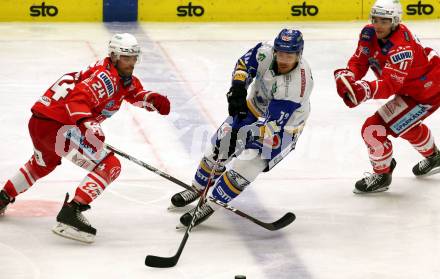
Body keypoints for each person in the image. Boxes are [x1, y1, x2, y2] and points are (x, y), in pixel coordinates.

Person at [0, 33, 171, 242]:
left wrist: (150, 98)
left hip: (41, 122)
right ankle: (72, 212)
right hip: (58, 126)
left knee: (41, 164)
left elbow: (131, 92)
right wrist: (90, 127)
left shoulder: (115, 75)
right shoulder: (104, 78)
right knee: (109, 165)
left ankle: (3, 197)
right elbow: (76, 102)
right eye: (127, 58)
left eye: (134, 57)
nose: (132, 62)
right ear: (115, 56)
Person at [170, 29, 314, 227]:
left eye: (289, 55)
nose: (283, 59)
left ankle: (210, 205)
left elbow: (272, 126)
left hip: (284, 128)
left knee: (246, 166)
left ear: (299, 54)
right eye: (280, 53)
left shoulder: (297, 86)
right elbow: (244, 64)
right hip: (254, 107)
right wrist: (238, 88)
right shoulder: (264, 52)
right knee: (217, 148)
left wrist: (241, 136)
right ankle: (196, 189)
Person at [334, 0, 440, 194]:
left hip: (426, 92)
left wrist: (363, 90)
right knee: (405, 125)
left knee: (372, 129)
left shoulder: (402, 47)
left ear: (395, 21)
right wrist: (348, 76)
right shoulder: (368, 33)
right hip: (413, 89)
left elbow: (390, 85)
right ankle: (434, 157)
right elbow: (360, 60)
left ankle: (382, 175)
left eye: (384, 20)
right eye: (375, 19)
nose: (378, 25)